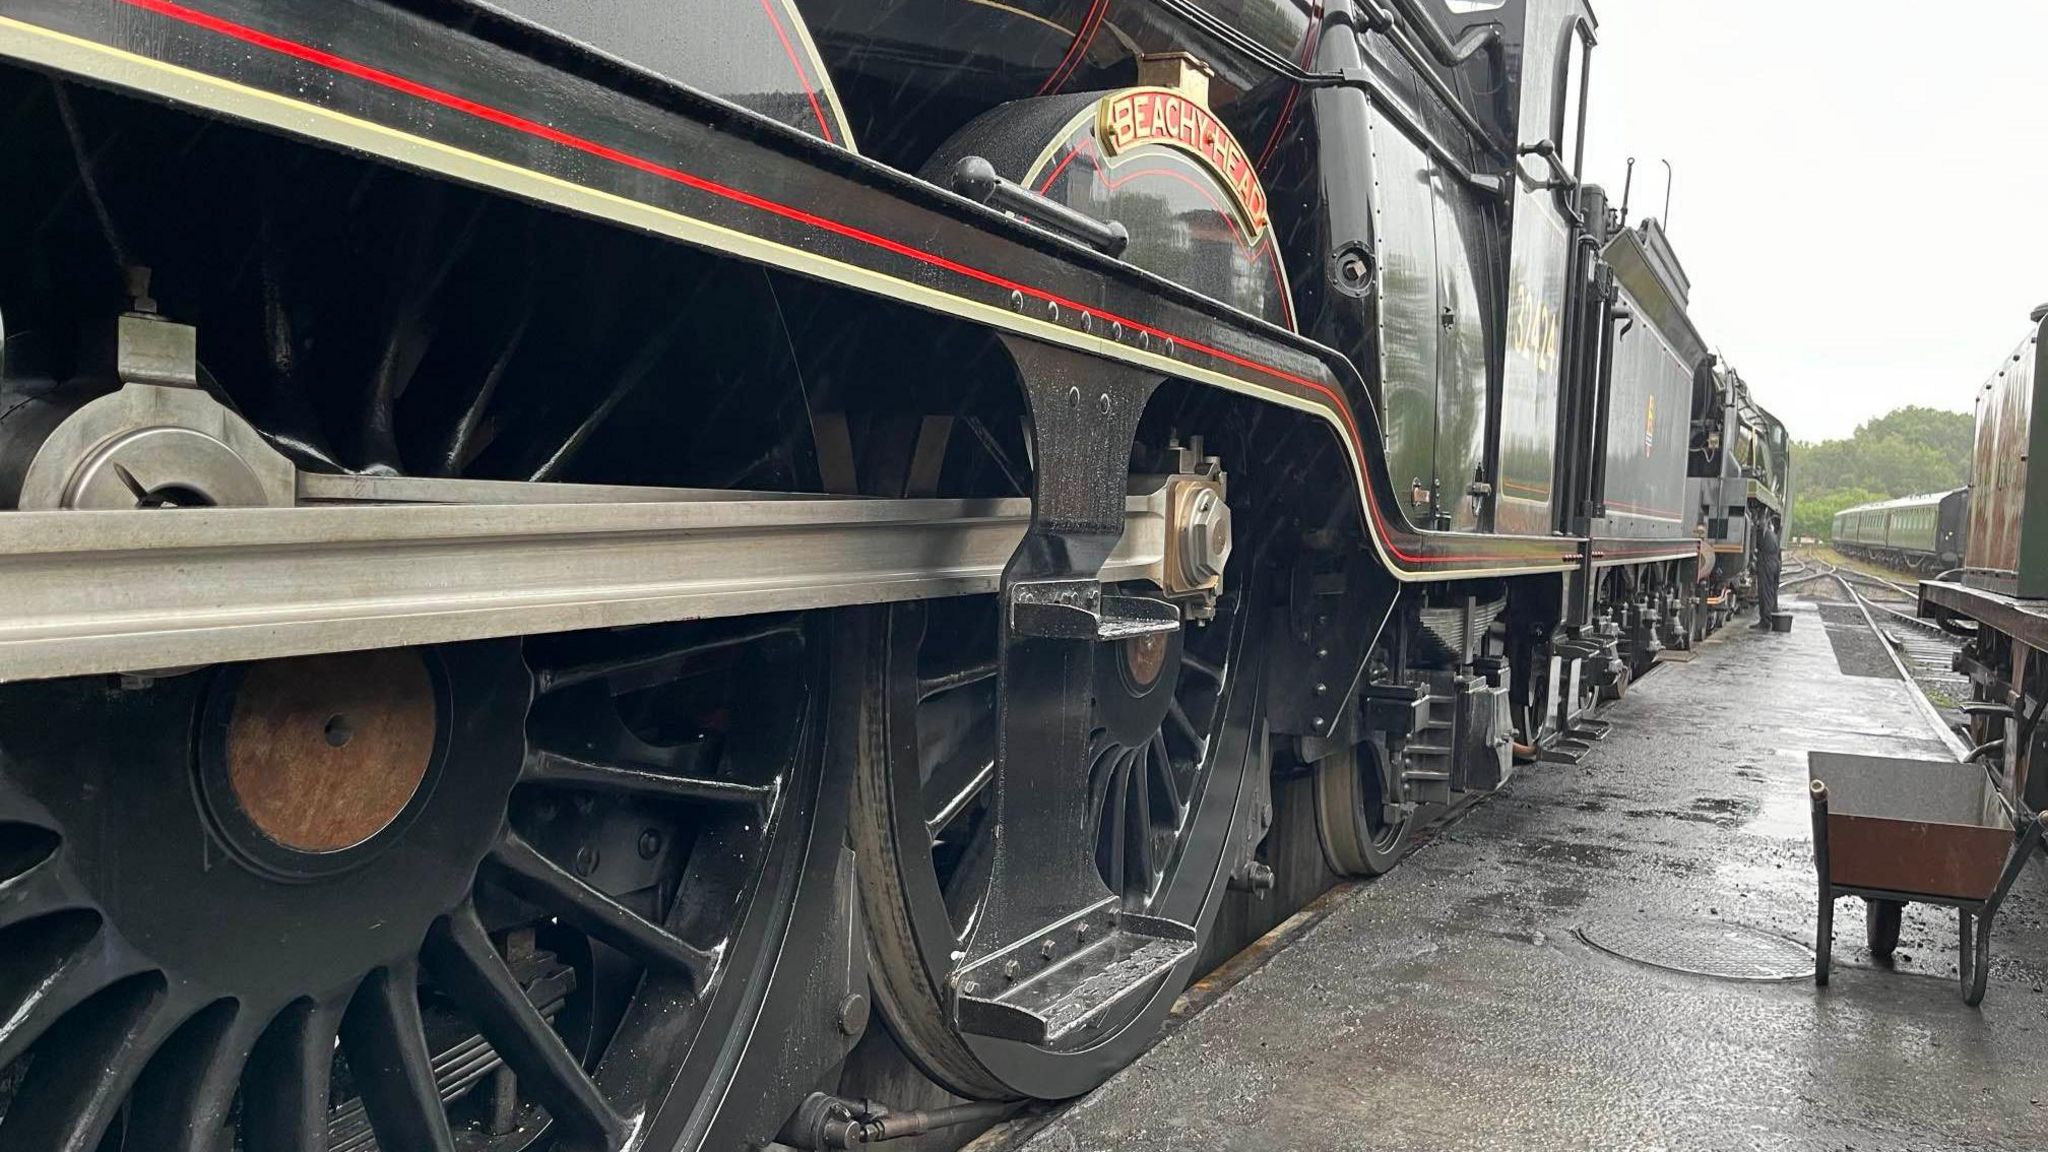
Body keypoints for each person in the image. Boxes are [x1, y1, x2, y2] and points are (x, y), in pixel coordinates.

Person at [1753, 511, 1782, 629]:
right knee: (1771, 591)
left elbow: (1757, 549)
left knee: (1764, 592)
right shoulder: (1773, 535)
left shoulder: (1763, 534)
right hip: (1775, 563)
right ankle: (1771, 615)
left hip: (1766, 564)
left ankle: (1765, 621)